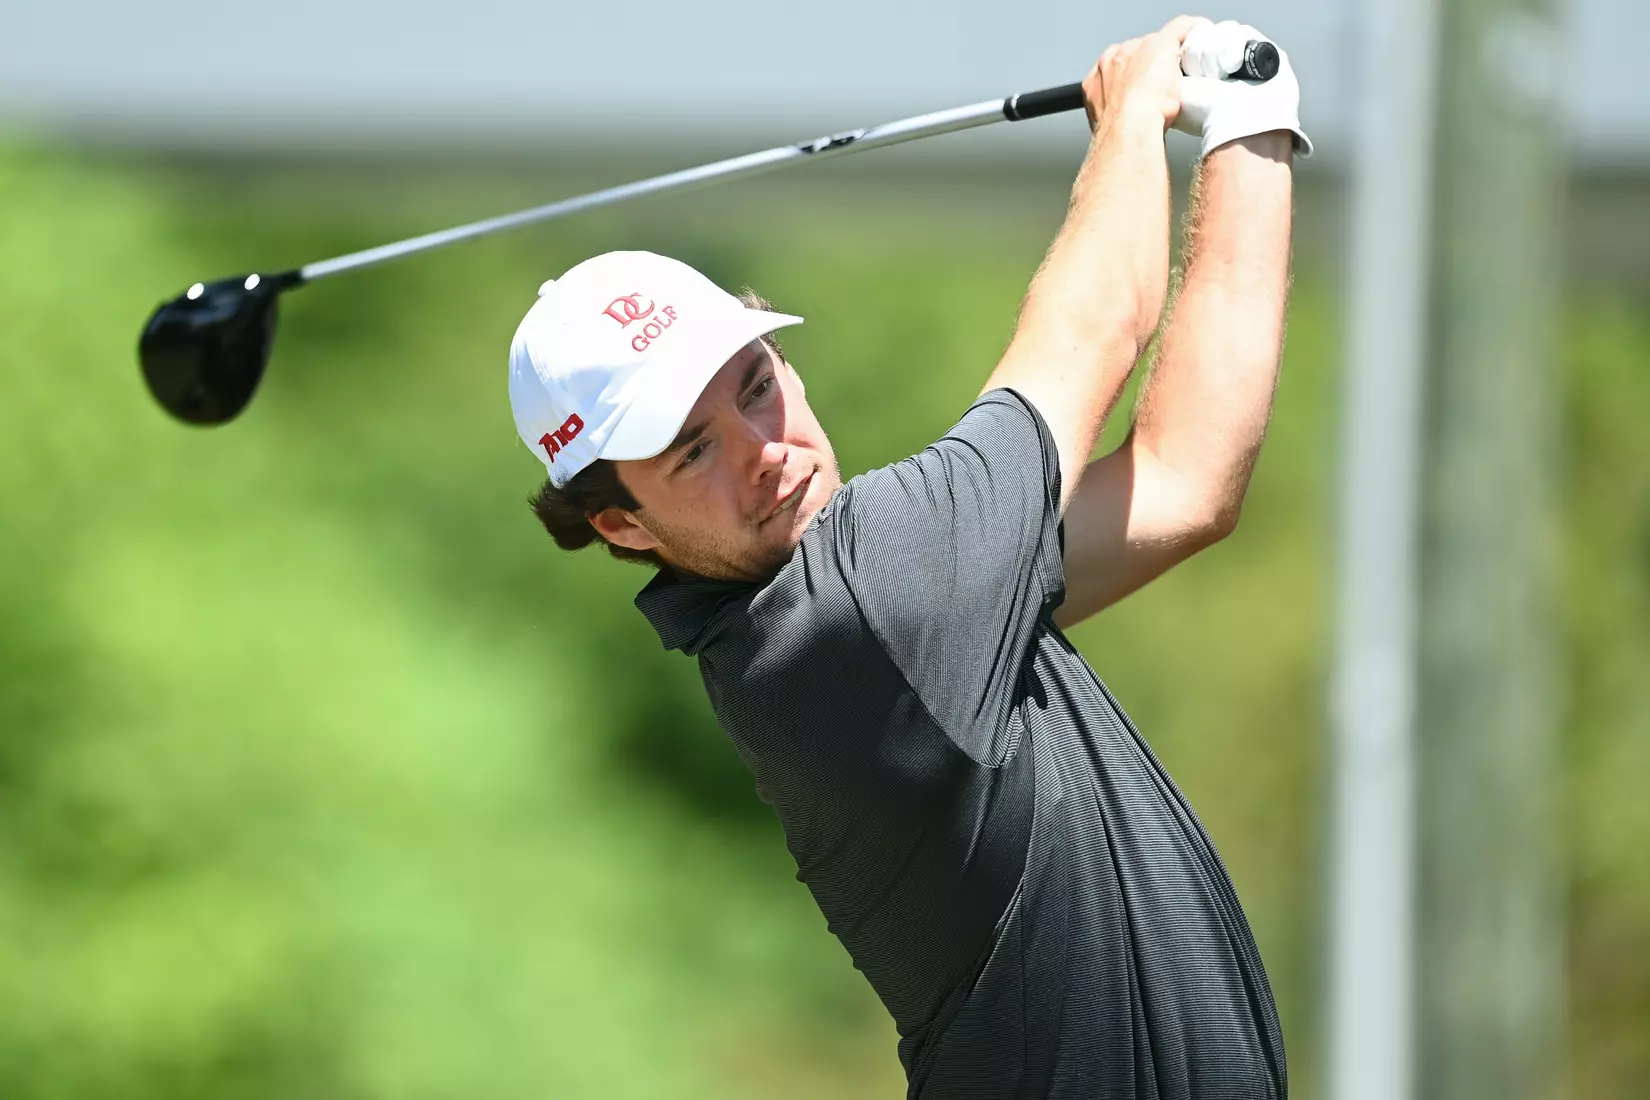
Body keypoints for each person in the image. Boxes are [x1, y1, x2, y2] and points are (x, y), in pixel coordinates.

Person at [508, 16, 1309, 1099]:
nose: (766, 450)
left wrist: (1251, 123)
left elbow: (1185, 478)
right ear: (622, 525)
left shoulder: (916, 607)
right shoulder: (865, 606)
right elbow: (1092, 331)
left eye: (755, 382)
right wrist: (1132, 114)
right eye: (694, 450)